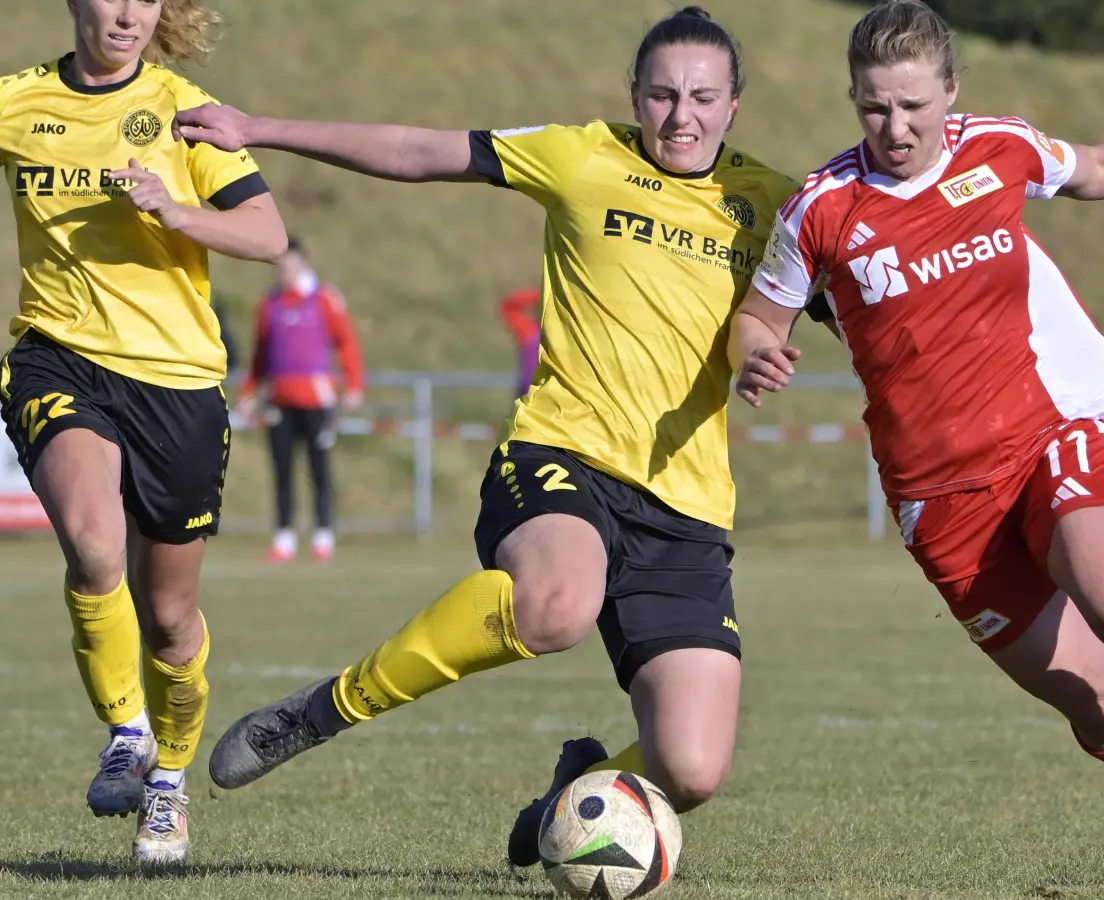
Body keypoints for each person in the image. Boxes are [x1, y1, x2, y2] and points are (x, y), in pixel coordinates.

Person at [732, 0, 1104, 888]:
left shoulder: (997, 149)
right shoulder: (822, 210)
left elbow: (1098, 167)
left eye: (912, 105)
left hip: (1042, 439)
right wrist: (756, 355)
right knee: (1092, 703)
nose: (895, 127)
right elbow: (761, 313)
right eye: (873, 107)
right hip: (937, 504)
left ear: (950, 91)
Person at [173, 6, 798, 865]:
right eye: (661, 94)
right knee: (555, 605)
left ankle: (568, 802)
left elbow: (858, 311)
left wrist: (763, 353)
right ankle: (320, 711)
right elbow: (412, 150)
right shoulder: (582, 155)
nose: (680, 116)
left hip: (687, 507)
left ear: (735, 105)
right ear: (635, 96)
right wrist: (258, 129)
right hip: (562, 456)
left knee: (691, 771)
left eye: (701, 97)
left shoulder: (774, 204)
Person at [0, 0, 287, 865]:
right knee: (93, 546)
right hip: (58, 360)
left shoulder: (185, 110)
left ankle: (168, 780)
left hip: (177, 383)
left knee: (169, 618)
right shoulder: (16, 104)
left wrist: (178, 212)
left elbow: (268, 234)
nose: (127, 12)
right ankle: (126, 730)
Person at [239, 236, 365, 562]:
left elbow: (346, 343)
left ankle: (324, 534)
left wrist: (353, 386)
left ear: (303, 264)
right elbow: (260, 355)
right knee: (282, 469)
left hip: (317, 400)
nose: (285, 271)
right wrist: (249, 392)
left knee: (319, 468)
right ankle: (284, 537)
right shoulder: (269, 305)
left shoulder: (323, 300)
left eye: (291, 264)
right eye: (280, 266)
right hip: (280, 400)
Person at [499, 283, 542, 395]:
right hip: (530, 393)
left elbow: (508, 307)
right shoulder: (531, 332)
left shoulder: (530, 333)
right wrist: (540, 296)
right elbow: (508, 307)